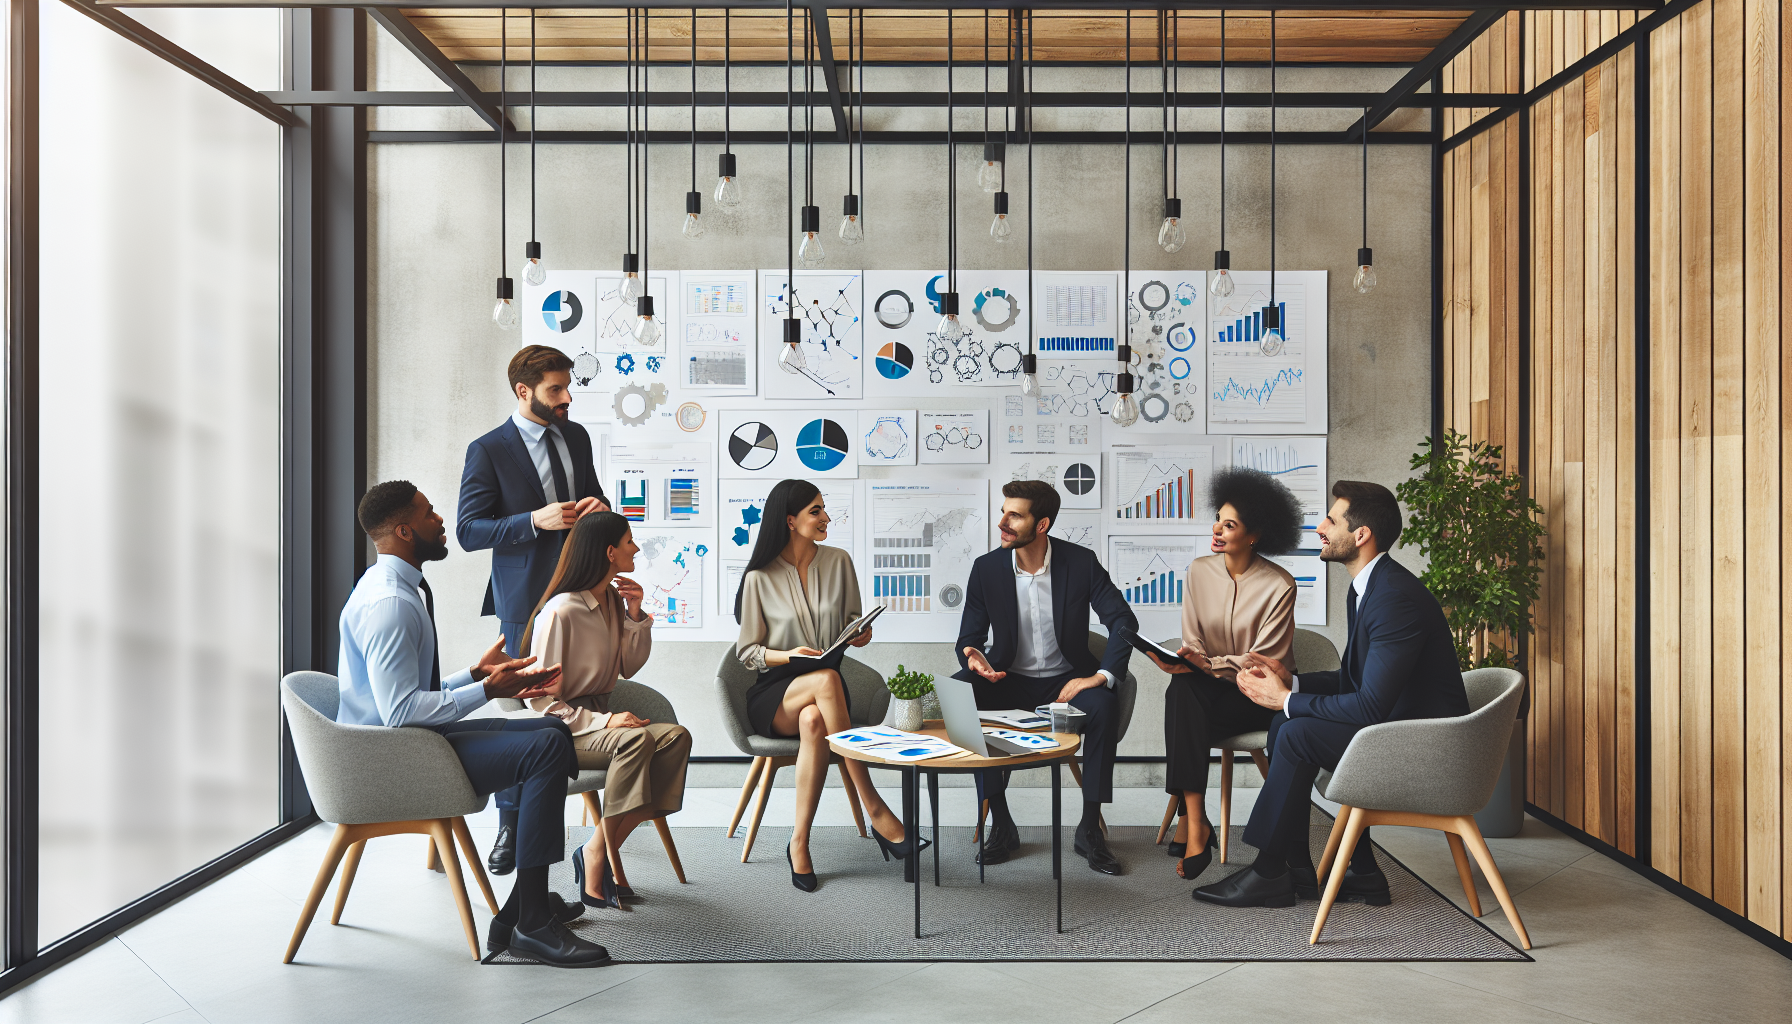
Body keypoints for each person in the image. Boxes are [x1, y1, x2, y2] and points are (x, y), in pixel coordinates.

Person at [337, 480, 609, 967]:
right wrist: (487, 691)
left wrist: (477, 674)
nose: (441, 521)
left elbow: (404, 697)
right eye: (428, 514)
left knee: (551, 731)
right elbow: (400, 713)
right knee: (546, 747)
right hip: (394, 759)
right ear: (403, 531)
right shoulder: (391, 604)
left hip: (413, 742)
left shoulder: (395, 587)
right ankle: (532, 925)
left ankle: (520, 907)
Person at [1194, 480, 1470, 909]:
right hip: (1399, 727)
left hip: (1424, 747)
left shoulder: (1394, 598)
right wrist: (1292, 681)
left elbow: (1370, 705)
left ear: (1361, 536)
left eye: (1332, 519)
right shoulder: (1369, 587)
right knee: (1289, 722)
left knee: (1296, 728)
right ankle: (1350, 872)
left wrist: (1283, 698)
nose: (1320, 526)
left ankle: (1271, 872)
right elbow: (1357, 681)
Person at [458, 344, 610, 875]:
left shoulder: (577, 435)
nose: (567, 398)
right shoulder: (489, 449)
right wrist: (532, 521)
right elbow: (468, 531)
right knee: (525, 719)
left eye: (569, 387)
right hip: (525, 603)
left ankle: (593, 816)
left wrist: (599, 506)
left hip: (583, 592)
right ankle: (510, 824)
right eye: (555, 390)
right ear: (523, 391)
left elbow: (593, 496)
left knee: (579, 695)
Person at [734, 479, 918, 891]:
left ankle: (799, 842)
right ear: (790, 519)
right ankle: (875, 807)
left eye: (823, 509)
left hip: (823, 694)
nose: (825, 518)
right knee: (826, 679)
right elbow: (747, 652)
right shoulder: (758, 578)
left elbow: (852, 620)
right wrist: (791, 656)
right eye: (816, 510)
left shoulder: (839, 561)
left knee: (816, 720)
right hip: (776, 693)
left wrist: (859, 634)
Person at [955, 480, 1139, 876]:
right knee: (959, 695)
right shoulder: (986, 569)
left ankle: (1090, 827)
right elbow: (969, 637)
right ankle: (1001, 822)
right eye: (1003, 511)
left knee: (1105, 703)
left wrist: (1102, 675)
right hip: (1008, 678)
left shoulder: (1081, 562)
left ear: (1041, 525)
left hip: (1067, 681)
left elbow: (1122, 620)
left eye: (1014, 515)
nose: (1002, 521)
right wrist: (972, 656)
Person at [520, 511, 692, 908]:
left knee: (676, 738)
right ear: (610, 551)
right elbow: (539, 699)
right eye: (630, 541)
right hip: (559, 727)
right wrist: (604, 720)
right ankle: (600, 857)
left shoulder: (612, 601)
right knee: (633, 742)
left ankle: (595, 847)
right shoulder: (560, 612)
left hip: (601, 719)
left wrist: (635, 614)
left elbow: (628, 666)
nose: (636, 548)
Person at [1143, 467, 1302, 885]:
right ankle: (1197, 820)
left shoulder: (1280, 585)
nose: (1216, 529)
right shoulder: (1198, 571)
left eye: (1229, 524)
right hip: (1206, 691)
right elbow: (1193, 640)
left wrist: (1208, 665)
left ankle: (1191, 823)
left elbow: (1263, 661)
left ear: (1254, 535)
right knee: (1183, 685)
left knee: (1187, 692)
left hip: (1258, 699)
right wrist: (1189, 660)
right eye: (1218, 518)